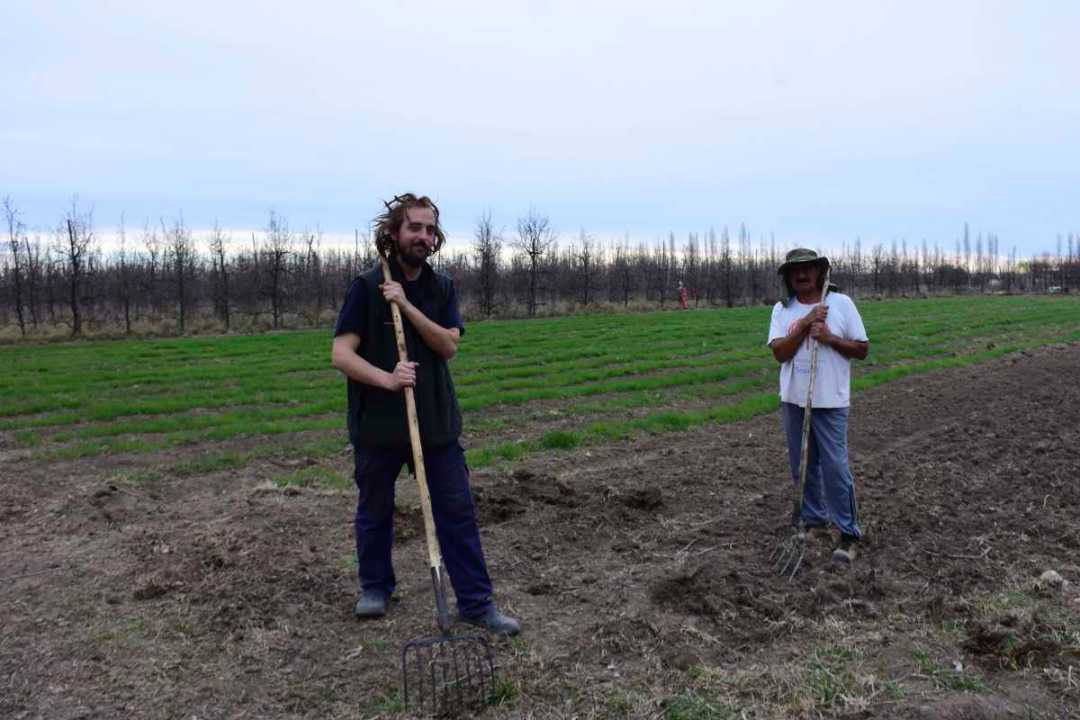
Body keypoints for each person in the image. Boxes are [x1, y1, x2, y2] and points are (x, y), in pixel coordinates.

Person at [330, 193, 520, 635]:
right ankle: (375, 588)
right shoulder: (366, 287)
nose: (424, 236)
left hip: (434, 423)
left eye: (430, 230)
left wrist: (407, 306)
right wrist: (387, 379)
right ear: (394, 233)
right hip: (378, 424)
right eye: (414, 227)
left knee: (457, 512)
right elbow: (341, 354)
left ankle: (476, 603)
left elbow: (449, 345)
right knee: (375, 511)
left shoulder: (441, 287)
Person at [766, 248, 869, 563]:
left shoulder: (841, 304)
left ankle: (849, 533)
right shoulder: (782, 309)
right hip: (794, 399)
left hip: (830, 400)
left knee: (835, 467)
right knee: (803, 464)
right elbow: (780, 353)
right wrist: (805, 324)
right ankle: (814, 522)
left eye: (807, 269)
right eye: (795, 271)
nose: (801, 275)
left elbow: (862, 349)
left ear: (819, 272)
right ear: (788, 276)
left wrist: (830, 338)